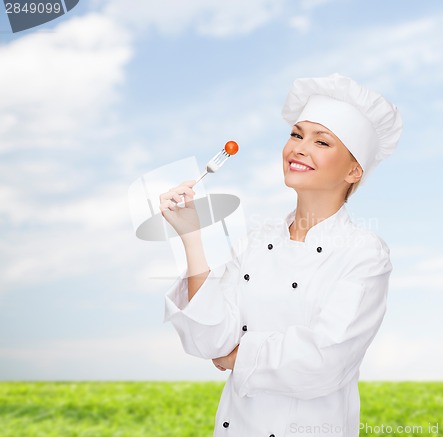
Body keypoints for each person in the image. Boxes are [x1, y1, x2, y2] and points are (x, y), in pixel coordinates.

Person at [160, 73, 403, 437]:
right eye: (296, 134)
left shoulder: (364, 254)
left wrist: (237, 357)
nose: (299, 148)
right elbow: (207, 340)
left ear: (355, 170)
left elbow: (324, 360)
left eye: (321, 141)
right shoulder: (257, 242)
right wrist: (191, 237)